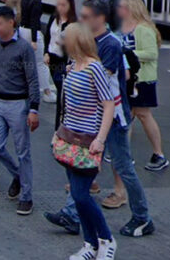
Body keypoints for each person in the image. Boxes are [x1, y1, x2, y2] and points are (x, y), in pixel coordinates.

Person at [47, 0, 155, 239]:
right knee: (79, 164)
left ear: (100, 18)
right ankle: (72, 214)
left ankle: (142, 216)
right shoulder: (91, 42)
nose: (82, 20)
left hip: (112, 117)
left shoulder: (109, 44)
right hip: (89, 118)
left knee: (123, 166)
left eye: (86, 17)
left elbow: (99, 82)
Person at [58, 22, 120, 260]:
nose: (62, 42)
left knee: (82, 194)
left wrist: (101, 140)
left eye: (66, 38)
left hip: (89, 140)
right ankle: (90, 244)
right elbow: (69, 105)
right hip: (70, 138)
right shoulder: (72, 66)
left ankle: (106, 239)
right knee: (77, 193)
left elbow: (108, 104)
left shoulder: (94, 68)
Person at [0, 5, 39, 215]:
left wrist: (34, 109)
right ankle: (19, 176)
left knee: (23, 152)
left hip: (18, 104)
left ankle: (26, 196)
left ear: (10, 22)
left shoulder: (23, 48)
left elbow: (32, 79)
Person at [119, 0, 168, 171]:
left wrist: (128, 54)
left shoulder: (144, 29)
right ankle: (125, 152)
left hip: (142, 79)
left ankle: (159, 153)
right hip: (129, 78)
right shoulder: (122, 27)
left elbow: (151, 53)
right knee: (129, 114)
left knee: (142, 114)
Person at [19, 0, 55, 102]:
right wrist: (34, 40)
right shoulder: (36, 1)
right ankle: (46, 91)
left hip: (22, 30)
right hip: (32, 33)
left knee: (26, 62)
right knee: (41, 63)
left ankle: (27, 87)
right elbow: (35, 21)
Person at [46, 0, 79, 123]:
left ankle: (59, 124)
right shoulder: (54, 18)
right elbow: (48, 36)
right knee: (58, 86)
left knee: (62, 92)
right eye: (58, 4)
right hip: (52, 57)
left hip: (63, 60)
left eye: (63, 5)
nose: (60, 8)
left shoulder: (73, 23)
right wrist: (46, 53)